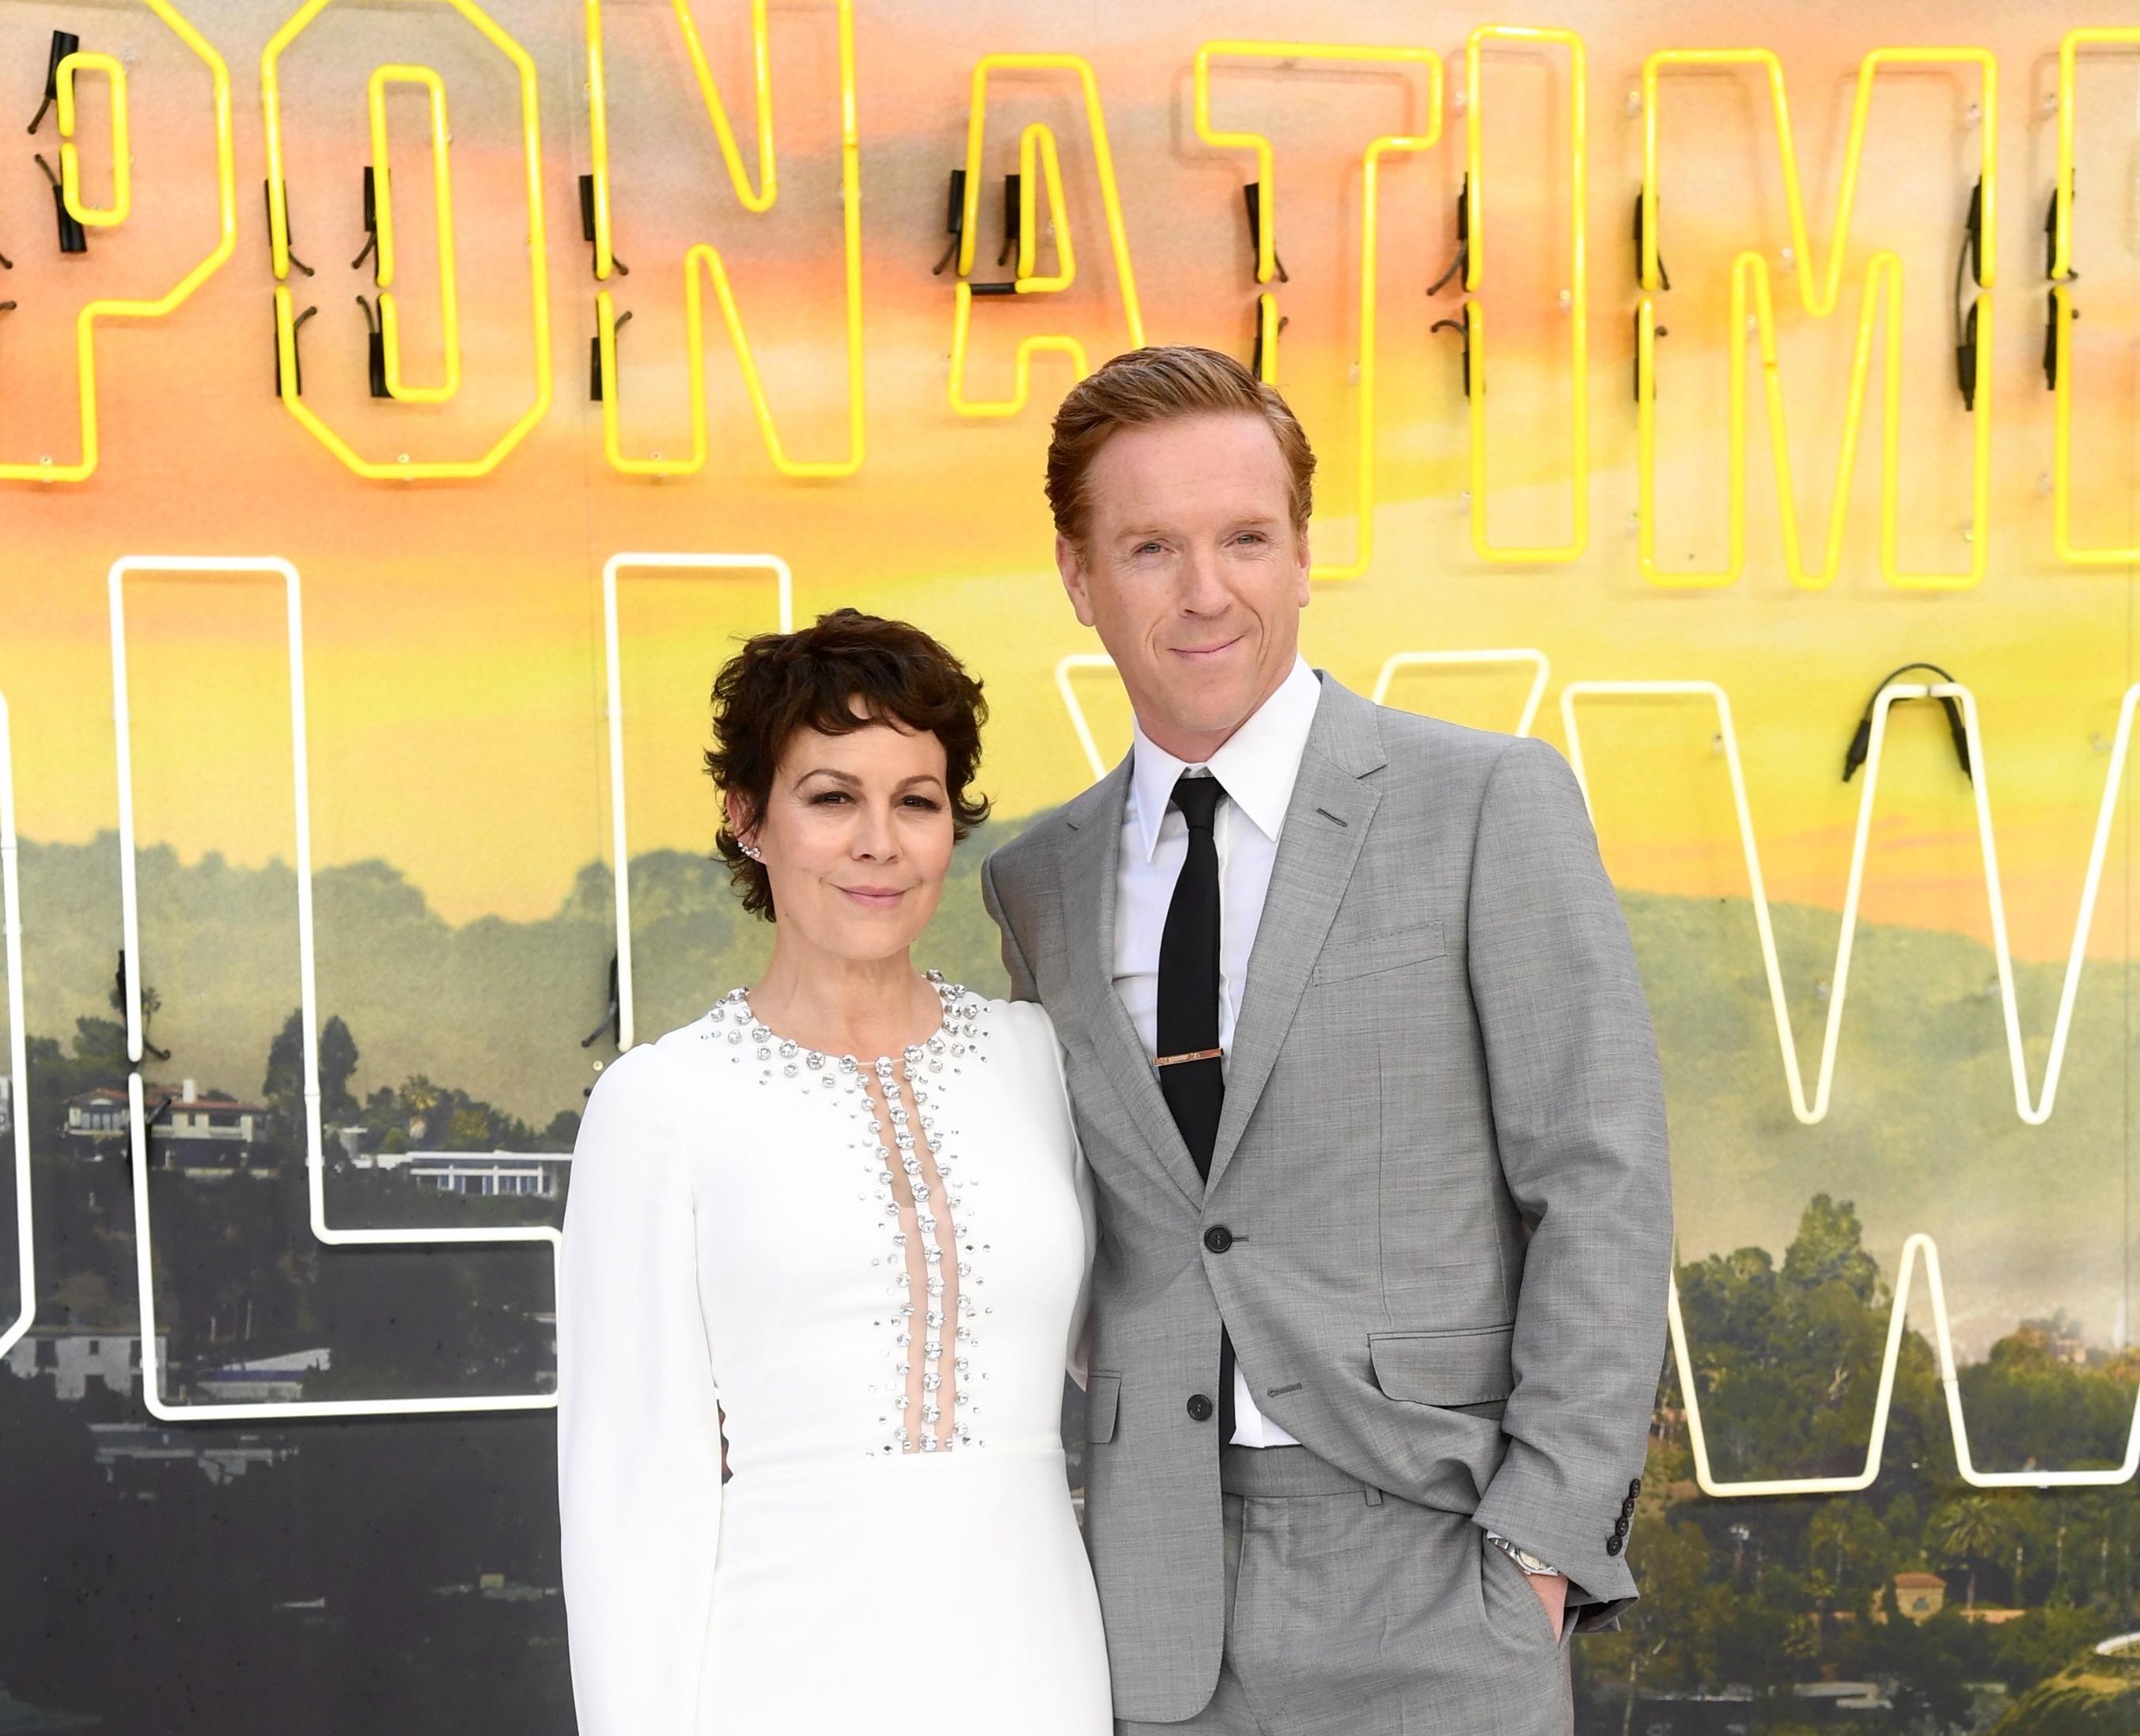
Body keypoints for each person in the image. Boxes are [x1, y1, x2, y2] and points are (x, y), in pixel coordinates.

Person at [982, 347, 1673, 1735]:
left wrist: (1540, 1545)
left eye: (1245, 537)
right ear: (1076, 576)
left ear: (1304, 552)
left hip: (1437, 1568)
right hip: (1150, 1600)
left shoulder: (1484, 802)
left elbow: (1599, 1179)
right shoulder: (1034, 881)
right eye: (1149, 547)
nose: (1204, 590)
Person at [557, 608, 1112, 1736]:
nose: (879, 841)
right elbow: (630, 1492)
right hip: (776, 1682)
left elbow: (1131, 1365)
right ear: (747, 819)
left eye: (915, 799)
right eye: (830, 797)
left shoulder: (1035, 1056)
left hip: (1039, 1668)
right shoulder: (662, 1102)